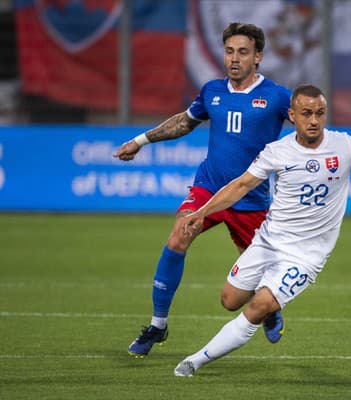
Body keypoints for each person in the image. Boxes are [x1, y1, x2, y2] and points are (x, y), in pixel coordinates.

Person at [172, 84, 351, 377]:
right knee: (229, 300)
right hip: (268, 241)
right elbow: (241, 185)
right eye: (306, 113)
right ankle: (270, 301)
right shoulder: (277, 151)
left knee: (260, 305)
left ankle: (194, 361)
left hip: (307, 254)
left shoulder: (345, 146)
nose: (314, 120)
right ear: (292, 115)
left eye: (320, 113)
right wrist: (202, 212)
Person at [113, 22, 292, 357]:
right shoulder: (212, 91)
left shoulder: (278, 96)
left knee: (255, 279)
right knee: (180, 233)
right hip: (208, 188)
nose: (234, 58)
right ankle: (157, 325)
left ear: (258, 58)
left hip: (251, 199)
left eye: (243, 52)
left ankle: (268, 307)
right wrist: (140, 141)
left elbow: (308, 126)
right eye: (229, 51)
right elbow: (184, 121)